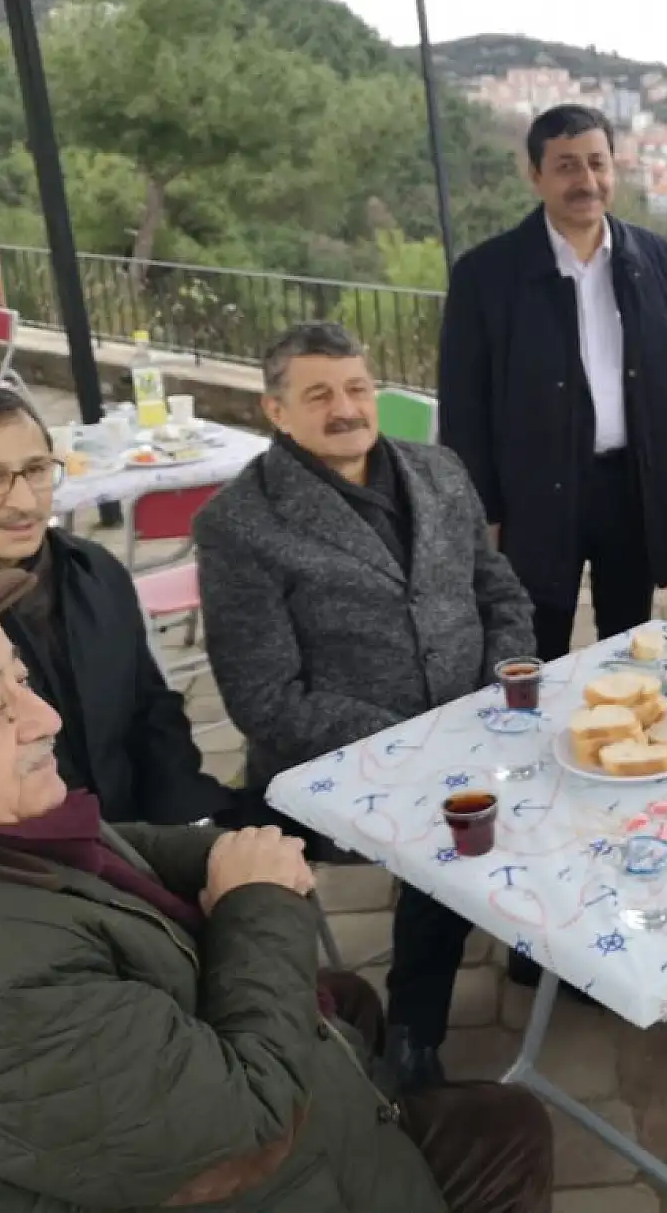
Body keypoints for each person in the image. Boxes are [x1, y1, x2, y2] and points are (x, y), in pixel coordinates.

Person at [0, 571, 553, 1213]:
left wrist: (236, 853)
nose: (45, 718)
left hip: (172, 1092)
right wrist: (258, 899)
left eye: (21, 680)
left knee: (348, 1000)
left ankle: (378, 1088)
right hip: (273, 1169)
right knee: (510, 1125)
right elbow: (251, 1131)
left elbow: (111, 848)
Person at [194, 321, 537, 1094]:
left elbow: (498, 589)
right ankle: (413, 1031)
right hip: (342, 762)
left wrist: (508, 678)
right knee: (451, 828)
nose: (345, 408)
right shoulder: (239, 524)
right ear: (276, 412)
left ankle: (536, 946)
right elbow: (263, 698)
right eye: (318, 395)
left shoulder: (441, 471)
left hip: (476, 716)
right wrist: (423, 743)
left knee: (561, 781)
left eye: (356, 387)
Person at [0, 387, 233, 825]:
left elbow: (150, 711)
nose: (25, 501)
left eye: (37, 469)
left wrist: (188, 827)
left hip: (134, 846)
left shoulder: (93, 569)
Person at [439, 103, 667, 666]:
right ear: (535, 175)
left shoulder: (657, 260)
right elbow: (465, 409)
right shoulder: (486, 275)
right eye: (567, 166)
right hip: (535, 493)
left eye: (597, 164)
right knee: (530, 642)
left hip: (632, 484)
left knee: (629, 641)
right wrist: (481, 510)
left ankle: (623, 739)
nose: (586, 182)